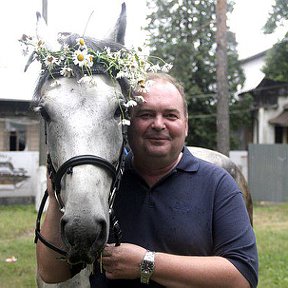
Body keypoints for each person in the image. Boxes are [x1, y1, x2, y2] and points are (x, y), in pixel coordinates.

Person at [36, 73, 258, 287]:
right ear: (127, 123)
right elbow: (51, 273)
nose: (159, 124)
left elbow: (242, 276)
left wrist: (146, 263)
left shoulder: (218, 183)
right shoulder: (103, 186)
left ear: (186, 125)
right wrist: (56, 198)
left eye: (171, 115)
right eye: (146, 115)